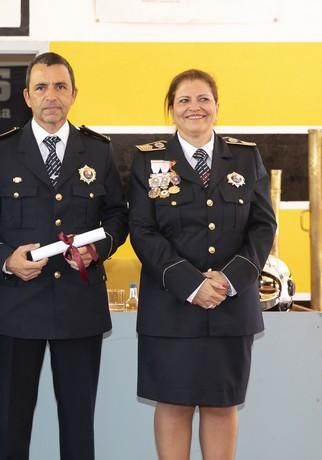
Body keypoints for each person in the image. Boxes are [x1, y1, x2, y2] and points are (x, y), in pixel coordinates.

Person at [0, 52, 128, 459]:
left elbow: (117, 217)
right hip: (17, 307)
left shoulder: (98, 151)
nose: (51, 96)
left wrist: (97, 249)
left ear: (74, 94)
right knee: (12, 426)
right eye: (41, 87)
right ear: (27, 96)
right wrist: (6, 258)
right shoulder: (0, 153)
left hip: (79, 307)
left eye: (60, 86)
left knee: (78, 427)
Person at [129, 69, 276, 460]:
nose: (195, 108)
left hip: (231, 305)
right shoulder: (150, 161)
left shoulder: (245, 157)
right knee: (173, 403)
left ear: (216, 106)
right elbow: (142, 231)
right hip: (171, 306)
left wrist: (229, 280)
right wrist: (191, 284)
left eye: (203, 99)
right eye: (184, 101)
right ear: (171, 110)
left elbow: (263, 226)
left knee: (221, 403)